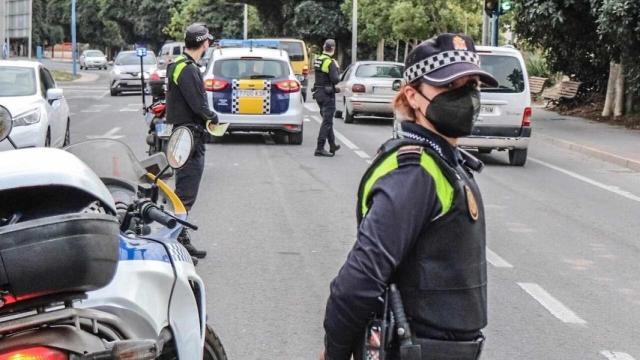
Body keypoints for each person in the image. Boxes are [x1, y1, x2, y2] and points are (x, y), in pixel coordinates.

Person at [320, 33, 499, 360]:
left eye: (473, 85)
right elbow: (356, 284)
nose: (468, 97)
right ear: (412, 96)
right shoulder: (415, 173)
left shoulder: (444, 162)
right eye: (450, 87)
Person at [165, 23, 217, 259]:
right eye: (208, 42)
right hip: (189, 137)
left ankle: (180, 238)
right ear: (204, 43)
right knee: (186, 193)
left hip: (182, 134)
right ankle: (173, 243)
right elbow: (199, 106)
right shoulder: (188, 69)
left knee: (183, 192)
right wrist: (213, 117)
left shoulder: (177, 65)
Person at [312, 39, 341, 157]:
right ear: (333, 49)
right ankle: (319, 148)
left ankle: (332, 144)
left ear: (324, 47)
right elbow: (335, 79)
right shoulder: (330, 62)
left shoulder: (318, 60)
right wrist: (337, 68)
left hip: (318, 93)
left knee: (327, 121)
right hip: (327, 95)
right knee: (327, 122)